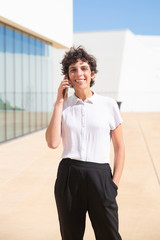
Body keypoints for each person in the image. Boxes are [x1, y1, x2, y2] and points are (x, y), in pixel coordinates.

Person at [45, 46, 125, 240]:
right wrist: (58, 103)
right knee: (71, 236)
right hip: (69, 175)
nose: (79, 73)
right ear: (67, 76)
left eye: (83, 68)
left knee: (110, 235)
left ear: (92, 73)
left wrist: (113, 185)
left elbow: (120, 147)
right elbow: (53, 142)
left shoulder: (108, 105)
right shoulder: (63, 106)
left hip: (101, 176)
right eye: (73, 69)